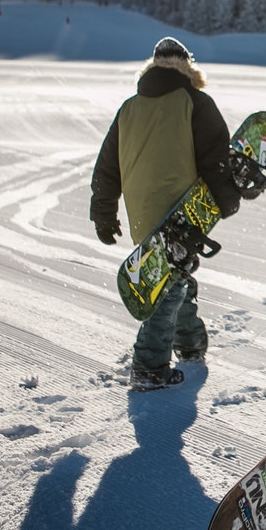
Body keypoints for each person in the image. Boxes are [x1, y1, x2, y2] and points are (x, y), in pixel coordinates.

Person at [90, 37, 250, 391]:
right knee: (167, 287)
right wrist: (227, 200)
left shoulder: (129, 108)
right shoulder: (195, 101)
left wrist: (104, 212)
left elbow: (107, 166)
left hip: (141, 213)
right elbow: (216, 160)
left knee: (175, 275)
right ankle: (149, 366)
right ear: (187, 66)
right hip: (181, 212)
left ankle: (191, 345)